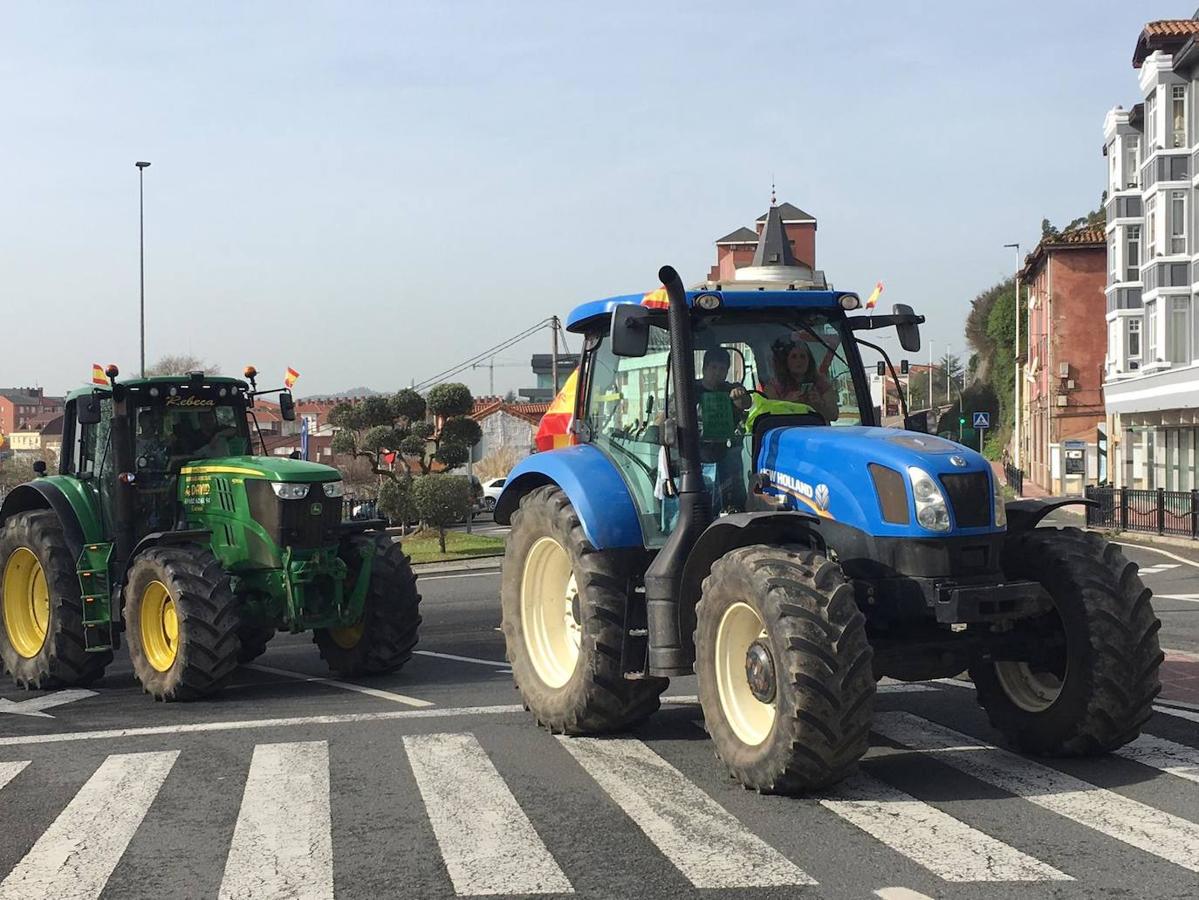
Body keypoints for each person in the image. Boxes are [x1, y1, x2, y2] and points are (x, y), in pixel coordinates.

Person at [763, 337, 839, 422]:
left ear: (809, 361)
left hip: (817, 431)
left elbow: (834, 415)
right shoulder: (774, 386)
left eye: (803, 357)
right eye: (794, 357)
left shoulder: (821, 384)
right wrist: (787, 403)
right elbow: (768, 417)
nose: (799, 361)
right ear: (786, 361)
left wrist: (819, 404)